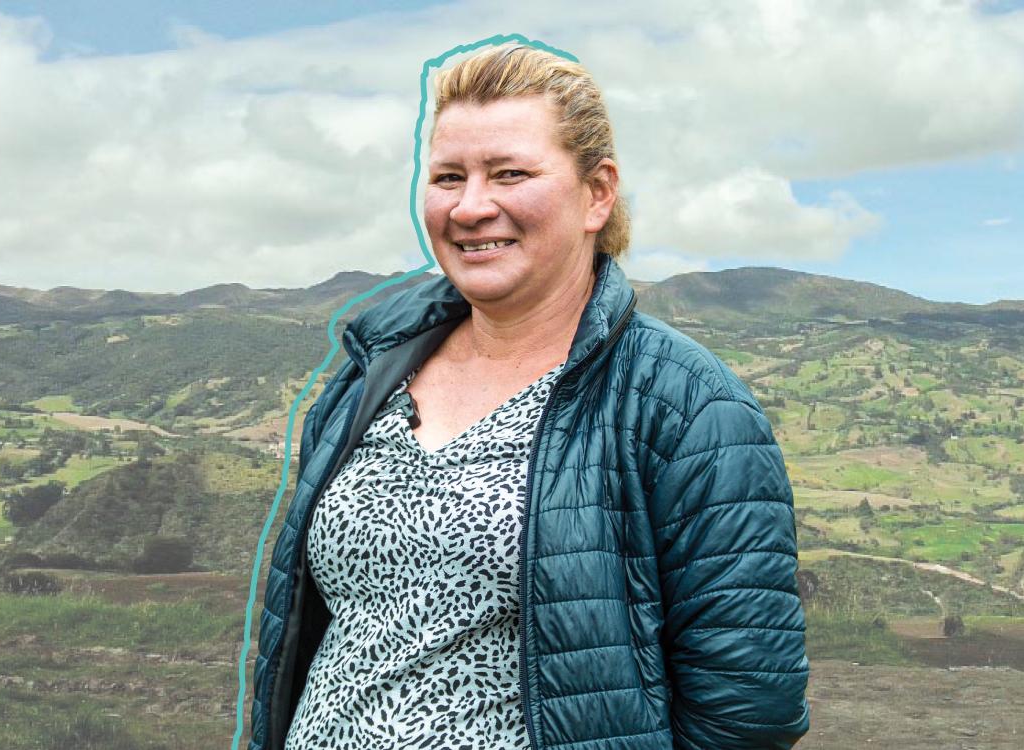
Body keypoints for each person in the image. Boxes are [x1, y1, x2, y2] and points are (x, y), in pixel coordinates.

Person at [249, 42, 809, 750]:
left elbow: (748, 711)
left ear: (597, 194)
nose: (472, 206)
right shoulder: (373, 372)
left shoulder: (687, 405)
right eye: (448, 176)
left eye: (510, 173)